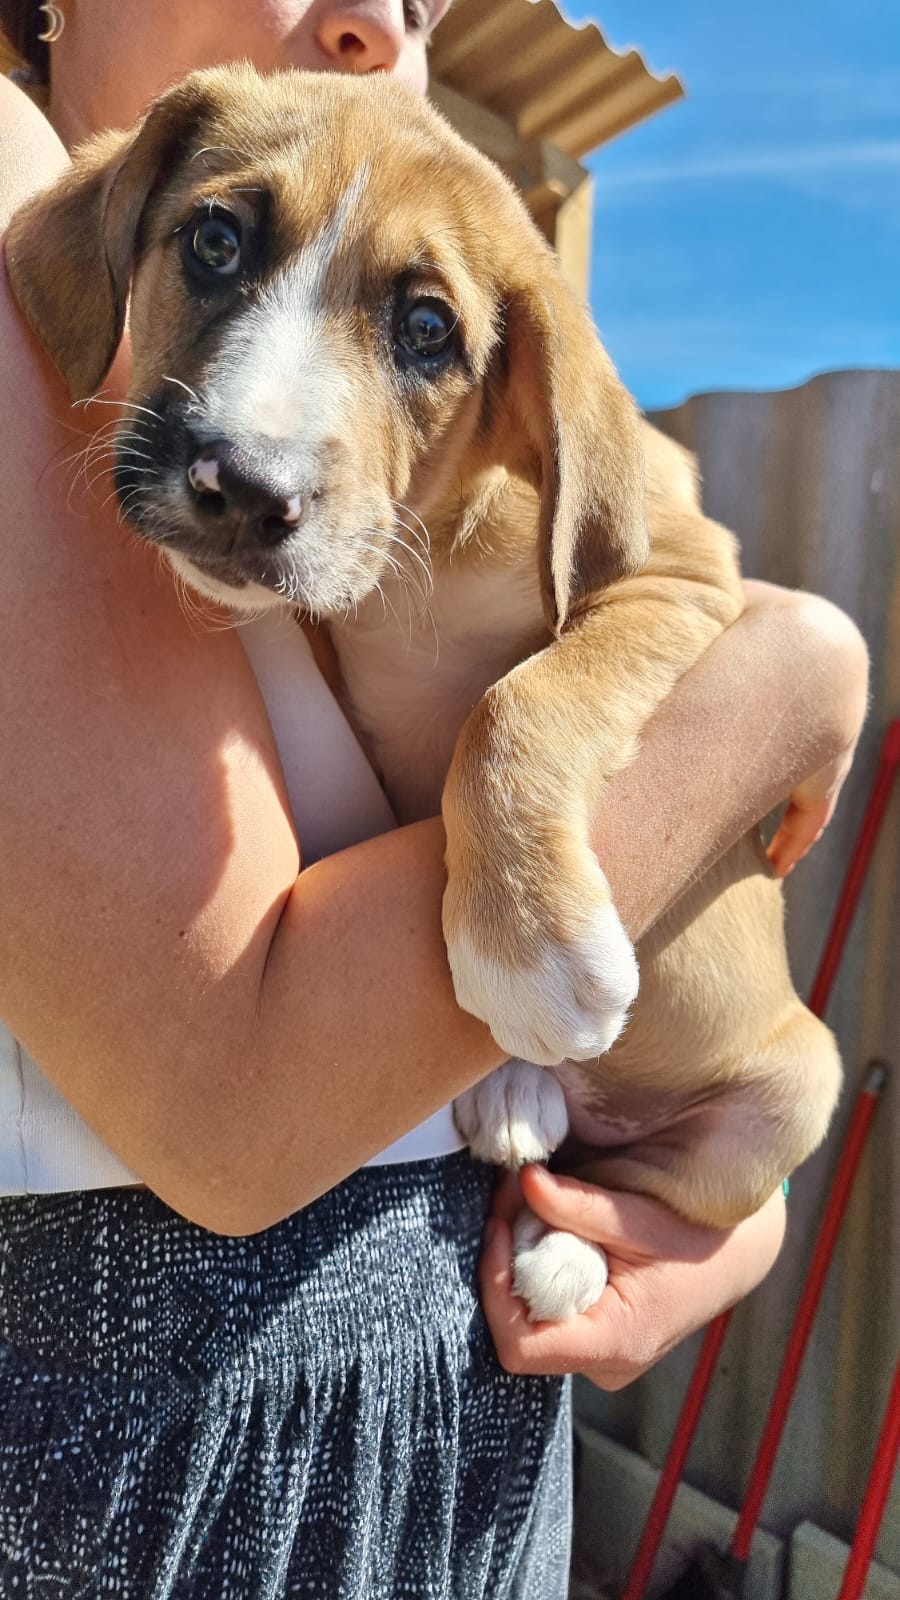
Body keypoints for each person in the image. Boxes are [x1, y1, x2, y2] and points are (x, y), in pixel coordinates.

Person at [0, 2, 869, 1594]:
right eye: (219, 244)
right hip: (151, 1464)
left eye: (420, 0)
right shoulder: (25, 203)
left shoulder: (472, 430)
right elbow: (234, 1104)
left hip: (471, 1413)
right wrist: (792, 679)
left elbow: (649, 567)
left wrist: (707, 1217)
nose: (372, 21)